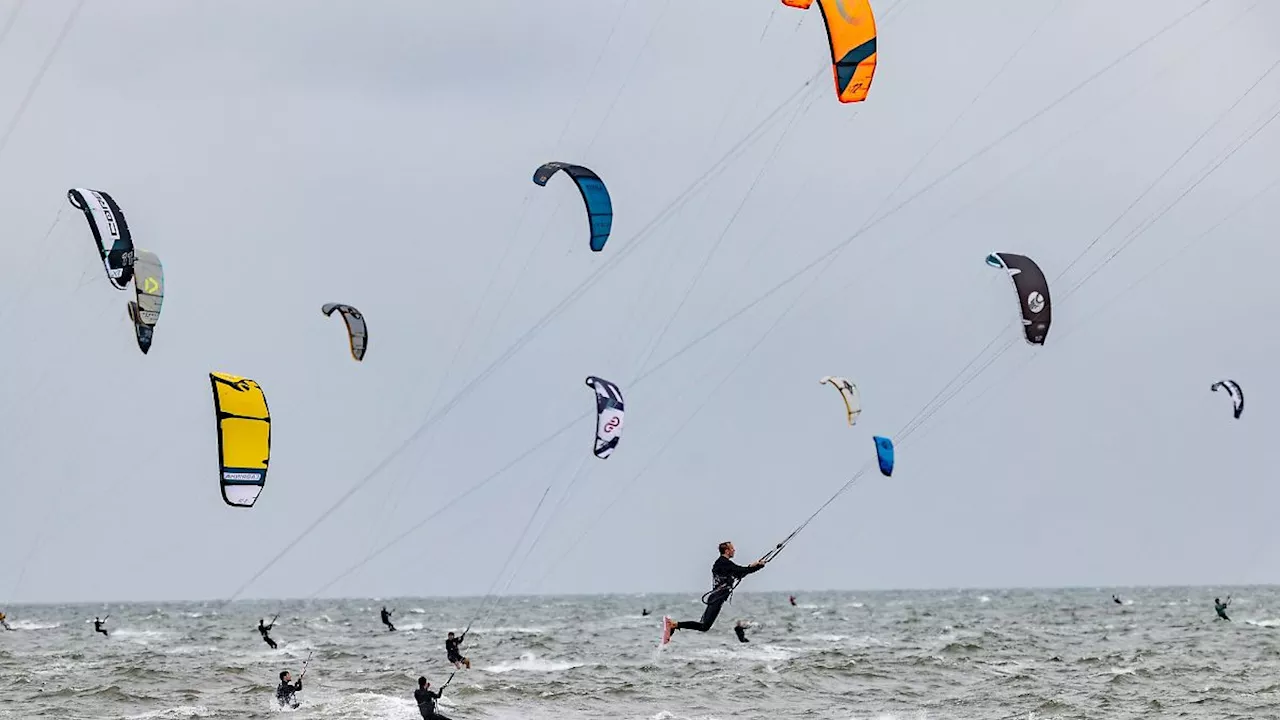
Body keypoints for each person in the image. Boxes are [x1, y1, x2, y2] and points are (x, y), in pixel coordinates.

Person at [664, 541, 767, 642]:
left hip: (715, 597)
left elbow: (740, 573)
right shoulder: (724, 563)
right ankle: (673, 624)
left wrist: (754, 566)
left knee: (703, 625)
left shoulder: (722, 563)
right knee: (704, 626)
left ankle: (674, 625)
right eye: (732, 548)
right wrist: (758, 566)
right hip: (716, 599)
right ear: (727, 551)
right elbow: (740, 570)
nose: (734, 550)